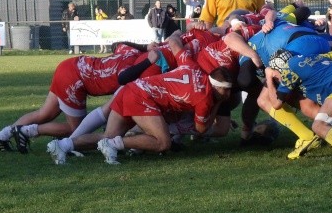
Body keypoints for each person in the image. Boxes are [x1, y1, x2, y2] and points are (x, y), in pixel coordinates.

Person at [48, 37, 233, 164]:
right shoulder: (205, 98)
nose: (229, 95)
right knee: (163, 142)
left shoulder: (193, 67)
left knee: (107, 134)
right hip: (142, 98)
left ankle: (62, 145)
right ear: (217, 87)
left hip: (131, 89)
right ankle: (115, 145)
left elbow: (175, 42)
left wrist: (177, 35)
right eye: (226, 90)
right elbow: (201, 129)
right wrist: (217, 104)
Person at [0, 43, 152, 153]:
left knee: (44, 113)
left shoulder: (132, 51)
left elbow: (118, 44)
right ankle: (26, 131)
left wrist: (145, 46)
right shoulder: (135, 71)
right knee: (76, 129)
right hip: (75, 80)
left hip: (70, 66)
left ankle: (1, 136)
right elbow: (124, 79)